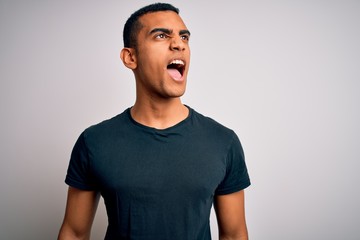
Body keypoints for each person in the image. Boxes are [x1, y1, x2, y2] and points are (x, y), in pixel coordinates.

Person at [58, 3, 250, 240]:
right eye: (161, 35)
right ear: (130, 57)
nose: (179, 44)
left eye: (184, 37)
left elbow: (234, 235)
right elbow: (74, 233)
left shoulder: (224, 142)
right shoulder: (94, 142)